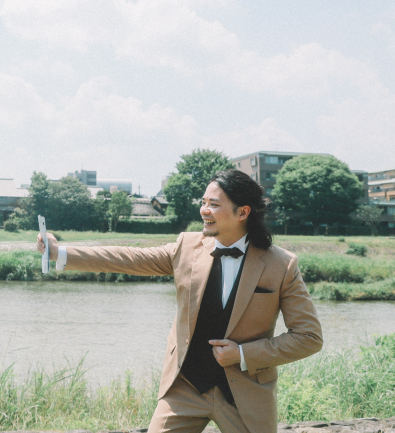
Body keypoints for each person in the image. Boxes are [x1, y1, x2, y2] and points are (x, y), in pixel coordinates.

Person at [37, 169, 322, 433]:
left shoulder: (281, 265)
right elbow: (130, 258)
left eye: (214, 204)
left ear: (242, 212)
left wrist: (244, 354)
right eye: (203, 201)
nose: (203, 210)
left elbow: (309, 337)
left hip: (245, 393)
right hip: (185, 386)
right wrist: (59, 253)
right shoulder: (187, 246)